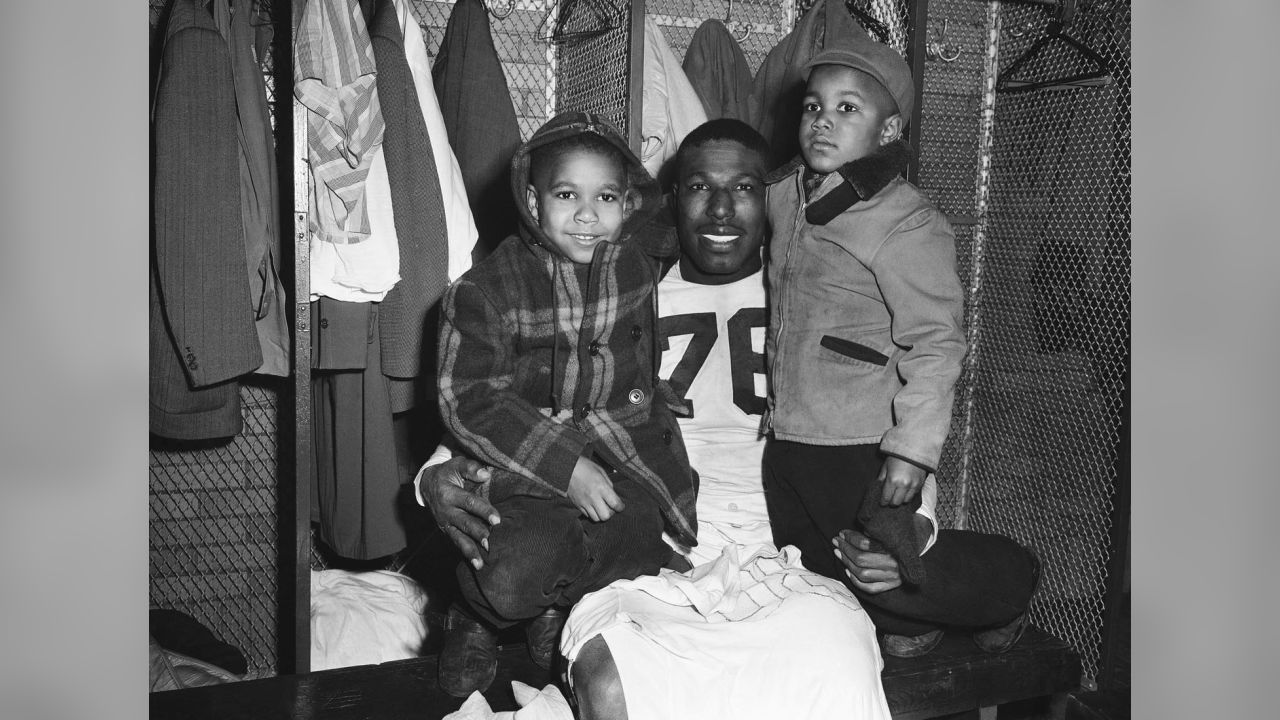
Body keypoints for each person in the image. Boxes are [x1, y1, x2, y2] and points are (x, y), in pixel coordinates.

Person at [762, 27, 1039, 657]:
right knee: (809, 573)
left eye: (848, 108)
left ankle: (1007, 581)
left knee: (879, 571)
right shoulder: (784, 194)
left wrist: (911, 453)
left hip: (863, 441)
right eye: (813, 106)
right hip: (789, 438)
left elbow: (938, 344)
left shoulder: (906, 221)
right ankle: (910, 619)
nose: (822, 122)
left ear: (888, 132)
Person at [433, 110, 699, 697]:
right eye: (565, 194)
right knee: (517, 563)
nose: (586, 214)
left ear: (627, 204)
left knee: (640, 541)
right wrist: (565, 464)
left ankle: (557, 607)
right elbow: (469, 399)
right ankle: (477, 613)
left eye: (605, 196)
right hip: (523, 462)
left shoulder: (636, 266)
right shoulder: (487, 290)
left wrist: (650, 390)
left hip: (617, 452)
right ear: (532, 199)